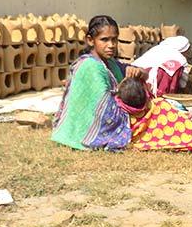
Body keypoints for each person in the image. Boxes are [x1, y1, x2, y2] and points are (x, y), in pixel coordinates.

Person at [51, 15, 144, 150]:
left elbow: (142, 73)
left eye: (114, 40)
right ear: (90, 40)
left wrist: (138, 72)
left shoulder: (111, 63)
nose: (111, 45)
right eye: (104, 40)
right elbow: (105, 108)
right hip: (92, 127)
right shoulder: (90, 66)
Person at [115, 77, 192, 155]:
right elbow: (183, 125)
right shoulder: (160, 106)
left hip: (138, 141)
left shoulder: (116, 111)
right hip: (179, 136)